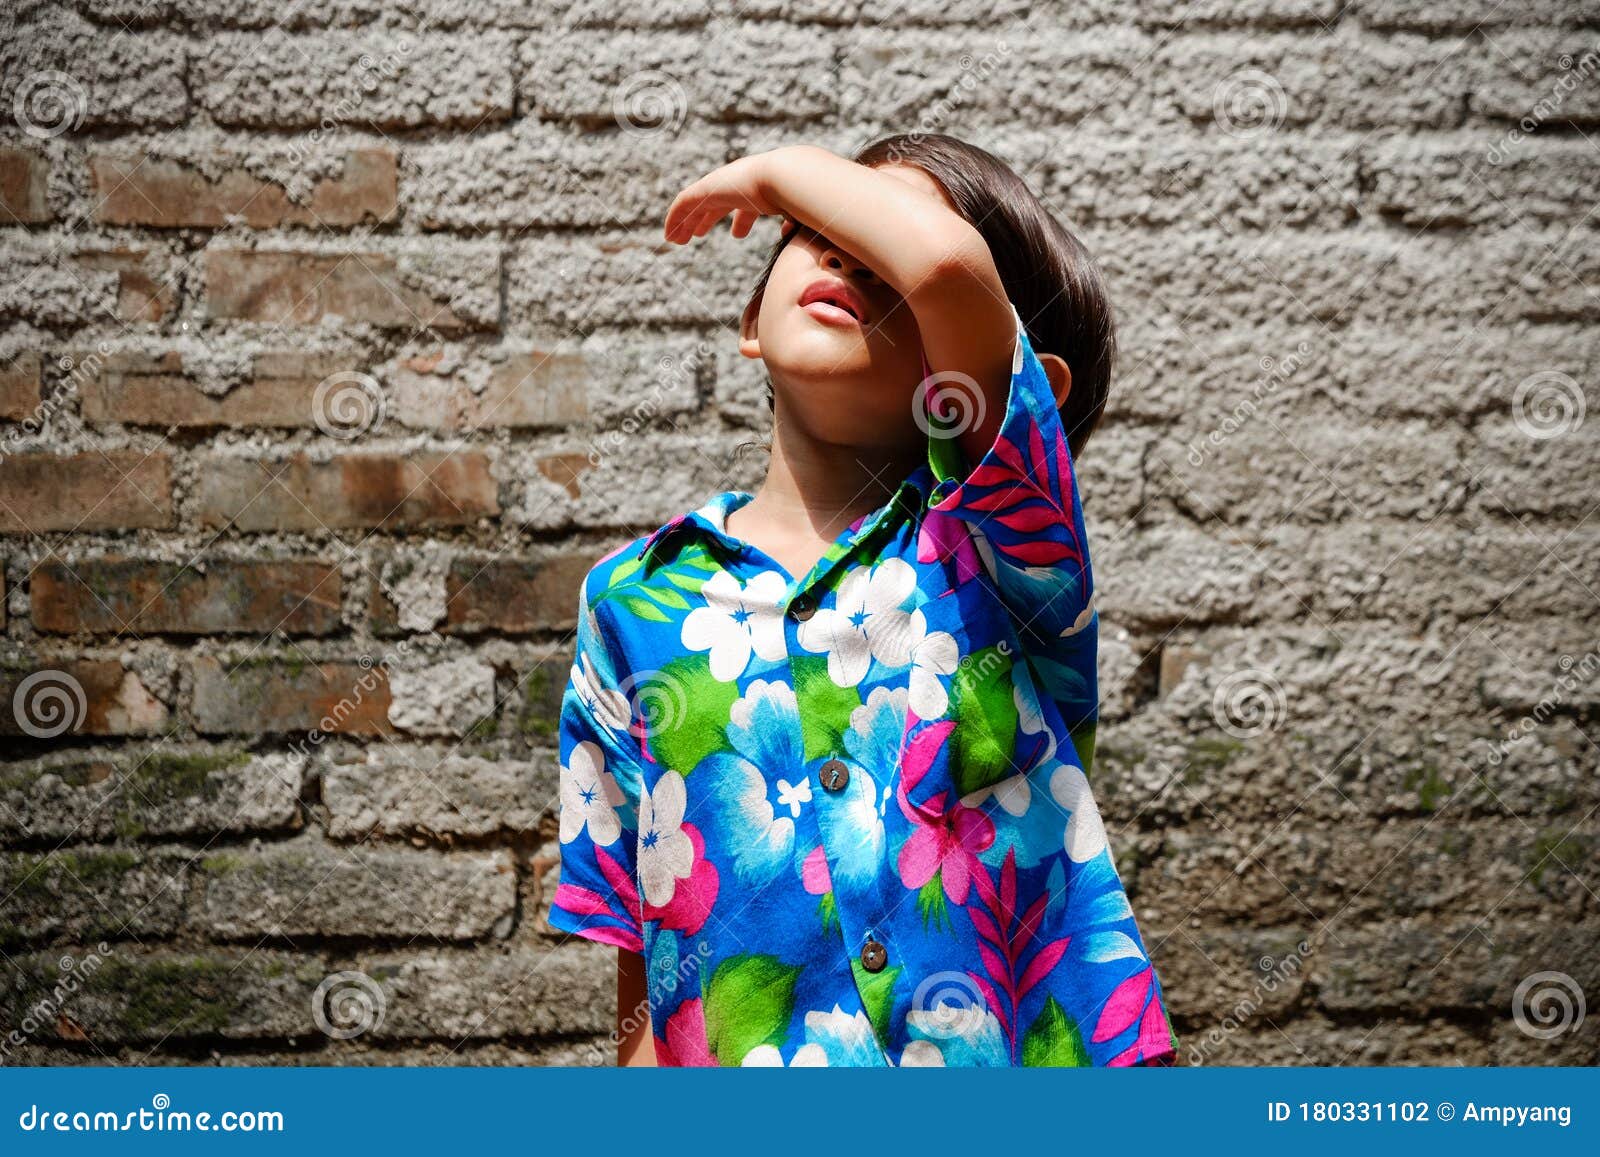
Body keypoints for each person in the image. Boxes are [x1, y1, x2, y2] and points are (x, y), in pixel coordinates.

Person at [549, 134, 1177, 1067]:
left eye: (883, 249)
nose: (846, 252)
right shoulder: (631, 600)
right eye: (812, 230)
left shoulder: (1004, 548)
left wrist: (772, 173)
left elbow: (952, 266)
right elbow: (652, 968)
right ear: (753, 319)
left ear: (1004, 387)